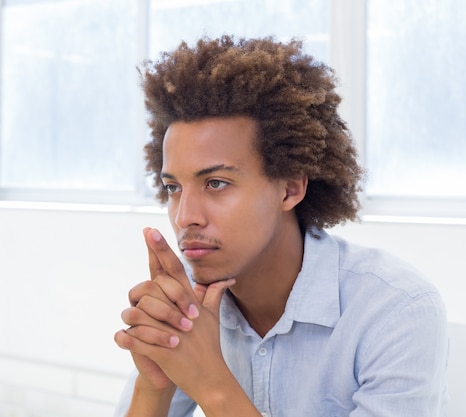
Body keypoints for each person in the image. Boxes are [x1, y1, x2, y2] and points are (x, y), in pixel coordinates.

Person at [113, 35, 448, 417]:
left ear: (290, 188)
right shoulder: (188, 309)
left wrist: (212, 383)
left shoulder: (396, 309)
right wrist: (154, 384)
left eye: (216, 183)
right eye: (173, 187)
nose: (184, 215)